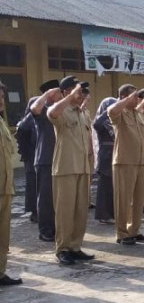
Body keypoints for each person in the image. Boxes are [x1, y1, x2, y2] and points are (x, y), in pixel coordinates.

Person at [47, 76, 94, 265]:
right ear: (66, 91)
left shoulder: (81, 113)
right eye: (78, 90)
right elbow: (51, 112)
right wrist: (68, 97)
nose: (81, 94)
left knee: (80, 211)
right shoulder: (62, 109)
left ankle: (75, 247)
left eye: (82, 91)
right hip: (65, 168)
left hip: (82, 168)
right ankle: (62, 249)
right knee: (65, 211)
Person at [108, 84, 144, 245]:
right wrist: (126, 99)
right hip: (124, 161)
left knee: (139, 199)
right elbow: (111, 111)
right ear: (123, 97)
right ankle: (121, 233)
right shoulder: (120, 113)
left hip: (139, 162)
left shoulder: (138, 115)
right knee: (123, 199)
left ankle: (134, 230)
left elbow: (141, 138)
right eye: (134, 96)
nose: (137, 99)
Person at [30, 80, 61, 242]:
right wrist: (47, 95)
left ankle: (56, 228)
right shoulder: (40, 106)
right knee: (46, 198)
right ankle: (45, 231)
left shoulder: (58, 109)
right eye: (57, 92)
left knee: (57, 198)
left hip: (59, 159)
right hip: (45, 159)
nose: (59, 94)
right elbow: (34, 108)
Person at [0, 81, 22, 285]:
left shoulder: (1, 123)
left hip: (5, 187)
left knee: (3, 234)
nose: (1, 101)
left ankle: (0, 271)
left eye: (2, 97)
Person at [93, 97, 117, 224]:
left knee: (112, 186)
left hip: (114, 153)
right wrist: (107, 111)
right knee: (104, 187)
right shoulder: (102, 121)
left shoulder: (113, 121)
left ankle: (112, 212)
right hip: (106, 155)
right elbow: (96, 124)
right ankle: (103, 214)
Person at [15, 98, 37, 223]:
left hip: (37, 156)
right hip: (30, 157)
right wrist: (25, 153)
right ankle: (34, 212)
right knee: (32, 186)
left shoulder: (37, 120)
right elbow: (21, 137)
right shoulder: (27, 121)